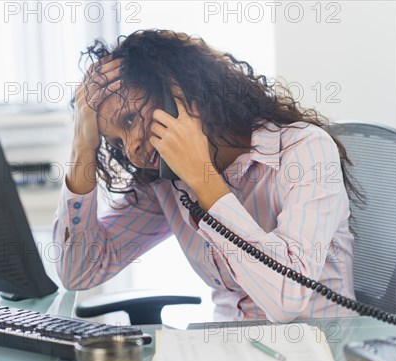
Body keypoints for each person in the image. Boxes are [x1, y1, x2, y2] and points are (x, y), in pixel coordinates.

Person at [52, 29, 360, 323]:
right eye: (117, 142)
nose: (131, 150)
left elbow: (286, 300)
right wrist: (83, 147)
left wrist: (203, 179)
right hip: (224, 358)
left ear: (182, 96)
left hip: (318, 356)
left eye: (131, 118)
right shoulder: (165, 183)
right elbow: (78, 274)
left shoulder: (304, 150)